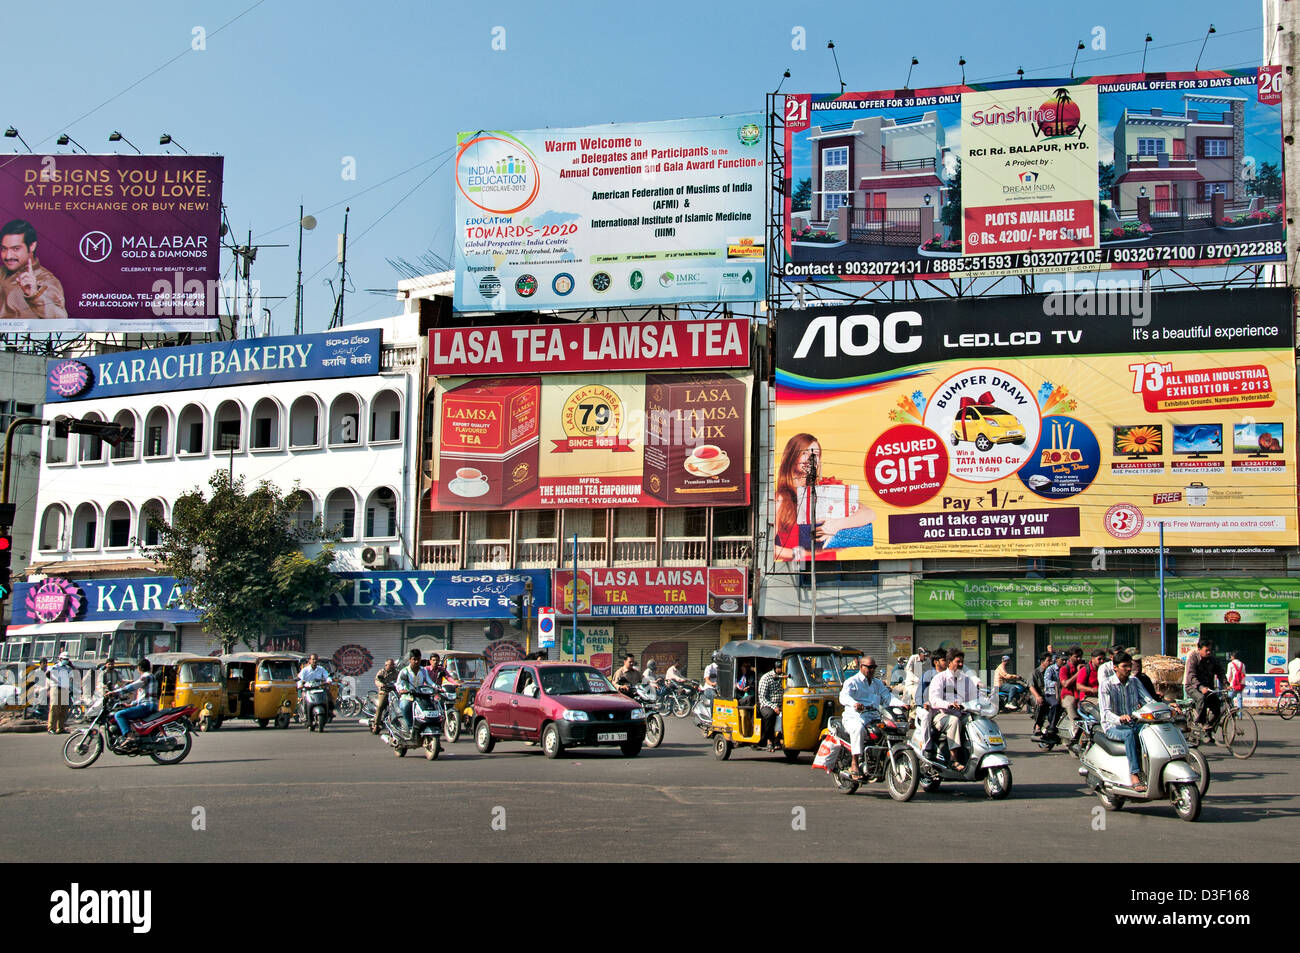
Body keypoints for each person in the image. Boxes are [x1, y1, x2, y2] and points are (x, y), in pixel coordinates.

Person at [773, 433, 874, 562]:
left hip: (831, 568)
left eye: (815, 453)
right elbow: (769, 549)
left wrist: (836, 525)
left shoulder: (827, 490)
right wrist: (812, 553)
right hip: (798, 573)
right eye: (804, 452)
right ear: (791, 456)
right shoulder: (781, 498)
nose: (810, 458)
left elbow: (869, 513)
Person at [1099, 651, 1155, 793]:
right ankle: (1134, 775)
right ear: (1115, 667)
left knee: (1152, 732)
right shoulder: (1106, 685)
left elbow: (1148, 701)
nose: (1129, 669)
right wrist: (1119, 718)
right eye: (1125, 666)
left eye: (1130, 666)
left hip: (1134, 722)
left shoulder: (1135, 682)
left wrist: (1166, 706)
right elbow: (1105, 713)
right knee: (1129, 734)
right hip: (1113, 726)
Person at [839, 656, 894, 780]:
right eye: (869, 667)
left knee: (889, 729)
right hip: (854, 717)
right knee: (858, 729)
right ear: (861, 667)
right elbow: (843, 697)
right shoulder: (852, 681)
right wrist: (854, 704)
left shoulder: (877, 683)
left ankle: (878, 761)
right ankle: (854, 762)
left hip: (873, 717)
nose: (871, 670)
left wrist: (902, 705)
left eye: (873, 667)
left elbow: (887, 696)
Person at [0, 220, 67, 320]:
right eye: (4, 249)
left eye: (16, 249)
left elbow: (61, 320)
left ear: (32, 246)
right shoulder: (2, 272)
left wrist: (34, 296)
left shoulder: (46, 280)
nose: (8, 256)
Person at [928, 650, 981, 770]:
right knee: (953, 721)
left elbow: (975, 698)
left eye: (962, 662)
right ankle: (954, 759)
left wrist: (971, 705)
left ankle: (976, 755)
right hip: (941, 715)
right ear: (949, 662)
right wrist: (949, 704)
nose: (961, 664)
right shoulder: (939, 679)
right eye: (958, 662)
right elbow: (934, 700)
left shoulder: (967, 680)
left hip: (962, 714)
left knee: (978, 721)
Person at [110, 659, 159, 747]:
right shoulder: (151, 676)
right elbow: (144, 695)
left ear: (139, 668)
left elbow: (132, 686)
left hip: (147, 706)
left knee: (119, 715)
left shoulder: (146, 677)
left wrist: (116, 692)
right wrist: (131, 704)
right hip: (149, 705)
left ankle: (130, 737)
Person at [1184, 637, 1226, 728]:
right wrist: (1201, 687)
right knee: (1201, 698)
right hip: (1193, 687)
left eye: (1210, 650)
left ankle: (1208, 728)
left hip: (1208, 688)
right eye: (1206, 650)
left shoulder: (1212, 659)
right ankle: (1201, 723)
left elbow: (1220, 672)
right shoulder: (1193, 658)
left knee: (1217, 705)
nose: (1209, 652)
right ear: (1199, 649)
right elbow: (1191, 676)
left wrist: (1226, 683)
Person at [915, 649, 948, 758]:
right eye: (944, 660)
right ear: (936, 662)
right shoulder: (927, 675)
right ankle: (927, 747)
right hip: (925, 708)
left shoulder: (949, 676)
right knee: (926, 714)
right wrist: (923, 703)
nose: (947, 662)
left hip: (941, 708)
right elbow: (918, 695)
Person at [394, 651, 436, 736]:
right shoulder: (404, 671)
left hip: (421, 696)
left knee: (432, 706)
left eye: (418, 659)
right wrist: (402, 690)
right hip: (408, 696)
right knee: (405, 706)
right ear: (410, 660)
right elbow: (398, 684)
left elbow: (429, 681)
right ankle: (410, 727)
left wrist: (437, 687)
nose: (416, 661)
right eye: (414, 659)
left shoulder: (423, 670)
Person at [1057, 647, 1084, 749]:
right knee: (1071, 704)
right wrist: (1078, 673)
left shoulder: (1084, 668)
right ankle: (1075, 734)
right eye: (1076, 657)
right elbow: (1066, 684)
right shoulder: (1064, 669)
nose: (1078, 659)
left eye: (1080, 657)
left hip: (1081, 696)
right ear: (1070, 657)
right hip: (1068, 696)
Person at [297, 653, 335, 722]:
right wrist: (300, 685)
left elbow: (327, 676)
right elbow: (300, 679)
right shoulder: (305, 670)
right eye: (313, 659)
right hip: (308, 689)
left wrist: (329, 681)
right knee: (303, 699)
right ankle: (304, 715)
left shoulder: (321, 669)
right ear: (310, 660)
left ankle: (330, 712)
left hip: (319, 688)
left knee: (329, 696)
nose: (315, 661)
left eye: (316, 659)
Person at [46, 652, 77, 734]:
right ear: (60, 659)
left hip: (65, 689)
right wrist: (54, 680)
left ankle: (61, 728)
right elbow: (47, 673)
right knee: (54, 708)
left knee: (64, 709)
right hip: (56, 688)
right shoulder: (55, 667)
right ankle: (51, 728)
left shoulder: (68, 668)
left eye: (67, 659)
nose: (66, 661)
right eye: (65, 659)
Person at [757, 663, 784, 751]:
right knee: (770, 715)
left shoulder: (785, 677)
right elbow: (762, 698)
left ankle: (779, 738)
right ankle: (769, 740)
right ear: (776, 668)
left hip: (782, 704)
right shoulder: (766, 678)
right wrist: (774, 707)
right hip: (767, 705)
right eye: (781, 668)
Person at [371, 658, 398, 734]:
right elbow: (377, 680)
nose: (392, 666)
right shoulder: (382, 672)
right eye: (390, 664)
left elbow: (400, 680)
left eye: (393, 664)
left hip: (393, 692)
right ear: (386, 665)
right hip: (384, 692)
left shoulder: (396, 673)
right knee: (380, 706)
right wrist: (381, 684)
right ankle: (376, 724)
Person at [1028, 651, 1051, 736]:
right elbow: (1031, 686)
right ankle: (1037, 726)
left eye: (1051, 660)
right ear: (1042, 662)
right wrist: (1037, 696)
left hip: (1048, 695)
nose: (1050, 662)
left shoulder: (1051, 672)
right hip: (1035, 695)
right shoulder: (1035, 673)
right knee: (1040, 702)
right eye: (1048, 660)